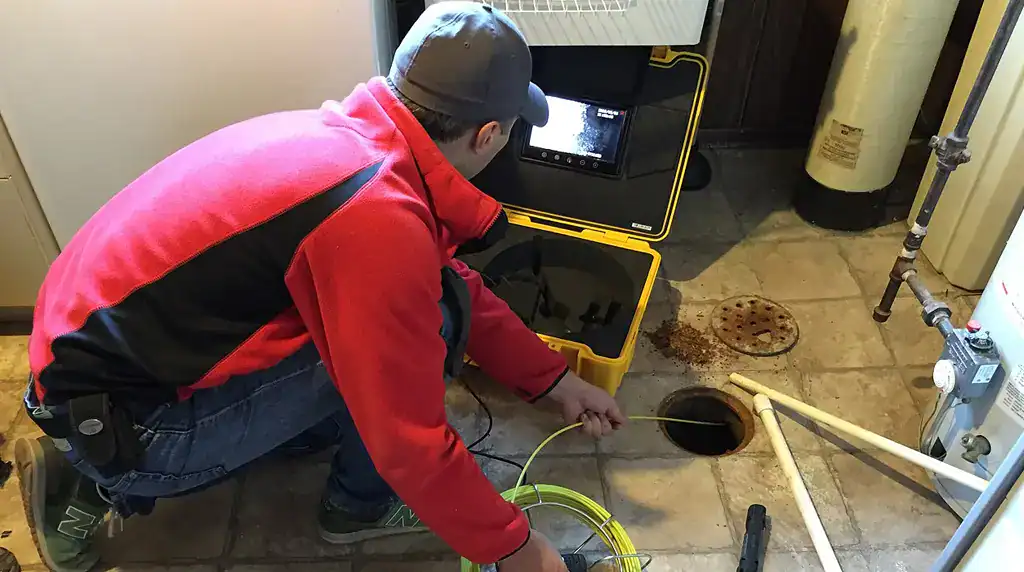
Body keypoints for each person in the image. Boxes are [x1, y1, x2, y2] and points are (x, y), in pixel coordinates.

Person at [14, 2, 627, 572]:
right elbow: (408, 440)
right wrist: (518, 549)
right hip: (124, 424)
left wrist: (553, 379)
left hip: (79, 356)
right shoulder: (375, 221)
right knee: (424, 332)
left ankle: (138, 456)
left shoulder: (347, 142)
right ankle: (352, 506)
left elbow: (441, 271)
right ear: (488, 134)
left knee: (409, 313)